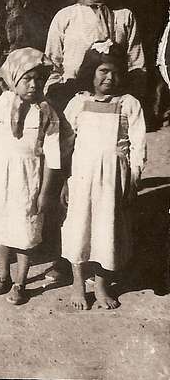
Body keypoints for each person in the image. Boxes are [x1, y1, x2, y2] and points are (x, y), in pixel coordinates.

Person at [60, 41, 146, 310]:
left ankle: (100, 284)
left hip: (113, 179)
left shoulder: (128, 104)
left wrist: (133, 180)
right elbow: (64, 143)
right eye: (103, 71)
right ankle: (77, 283)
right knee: (79, 227)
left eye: (115, 72)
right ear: (91, 72)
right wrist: (64, 179)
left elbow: (138, 145)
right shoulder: (79, 103)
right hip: (82, 177)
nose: (109, 77)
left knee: (107, 229)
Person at [0, 48, 60, 305]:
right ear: (13, 79)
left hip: (27, 179)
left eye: (38, 80)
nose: (33, 85)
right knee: (1, 228)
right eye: (27, 79)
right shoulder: (0, 104)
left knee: (24, 231)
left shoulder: (46, 113)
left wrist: (44, 192)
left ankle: (21, 282)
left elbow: (52, 158)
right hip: (0, 176)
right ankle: (4, 274)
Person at [44, 0, 145, 111]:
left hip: (116, 101)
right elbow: (52, 64)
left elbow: (136, 64)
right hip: (73, 100)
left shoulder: (124, 16)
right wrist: (59, 96)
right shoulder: (66, 17)